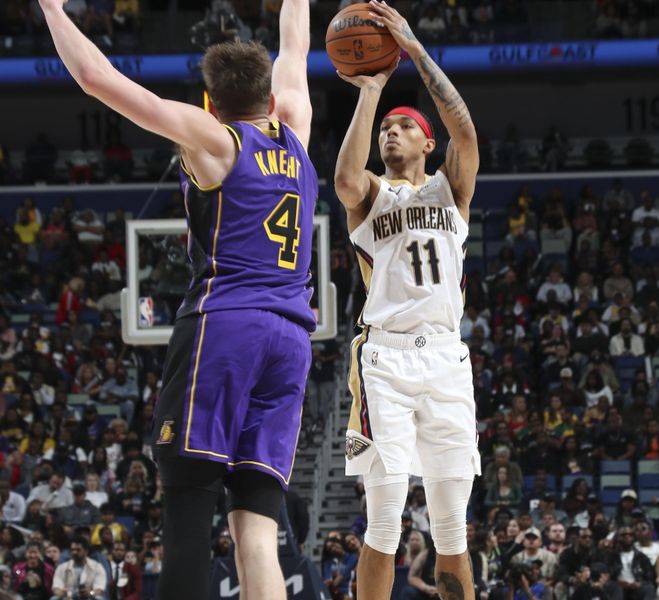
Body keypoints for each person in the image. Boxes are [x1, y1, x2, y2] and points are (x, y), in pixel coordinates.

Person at [38, 0, 315, 598]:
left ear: (211, 101)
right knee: (257, 531)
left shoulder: (214, 139)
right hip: (292, 340)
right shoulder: (295, 127)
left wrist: (52, 9)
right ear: (270, 96)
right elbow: (295, 46)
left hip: (226, 327)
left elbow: (97, 79)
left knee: (188, 511)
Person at [333, 2, 480, 598]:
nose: (392, 134)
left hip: (446, 359)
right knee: (385, 518)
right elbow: (344, 178)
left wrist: (414, 49)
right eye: (385, 130)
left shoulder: (451, 188)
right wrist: (370, 91)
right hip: (386, 362)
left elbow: (465, 128)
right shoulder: (372, 193)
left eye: (402, 127)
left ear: (426, 142)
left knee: (450, 527)